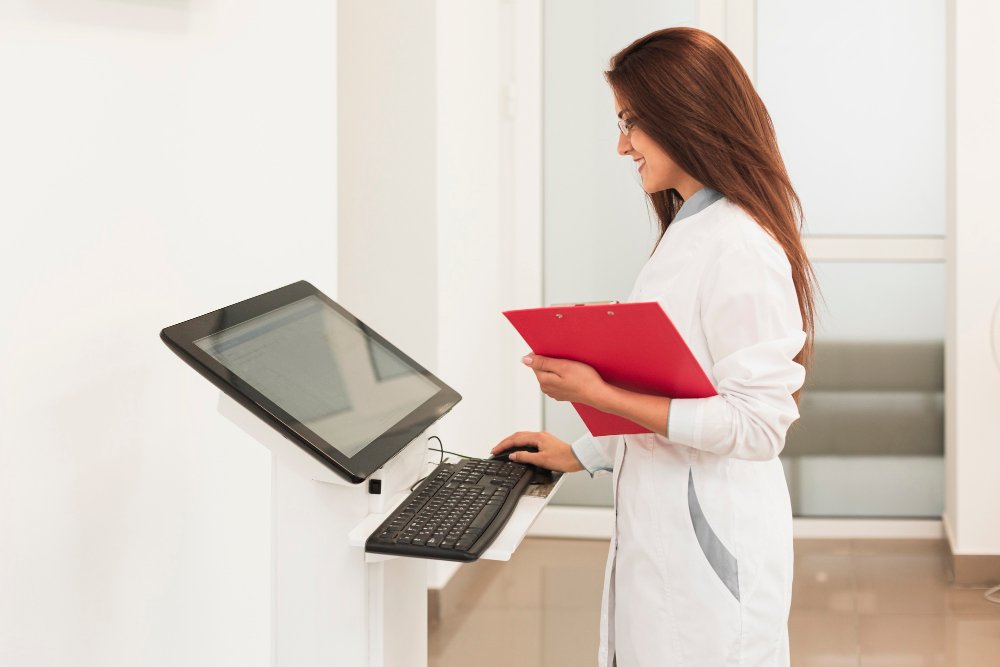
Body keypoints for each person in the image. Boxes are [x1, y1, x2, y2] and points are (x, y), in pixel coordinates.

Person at [491, 27, 817, 667]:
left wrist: (600, 393)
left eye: (631, 123)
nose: (621, 145)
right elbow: (679, 387)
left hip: (710, 555)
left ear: (683, 116)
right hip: (669, 539)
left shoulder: (739, 244)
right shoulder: (691, 228)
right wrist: (583, 451)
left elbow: (758, 425)